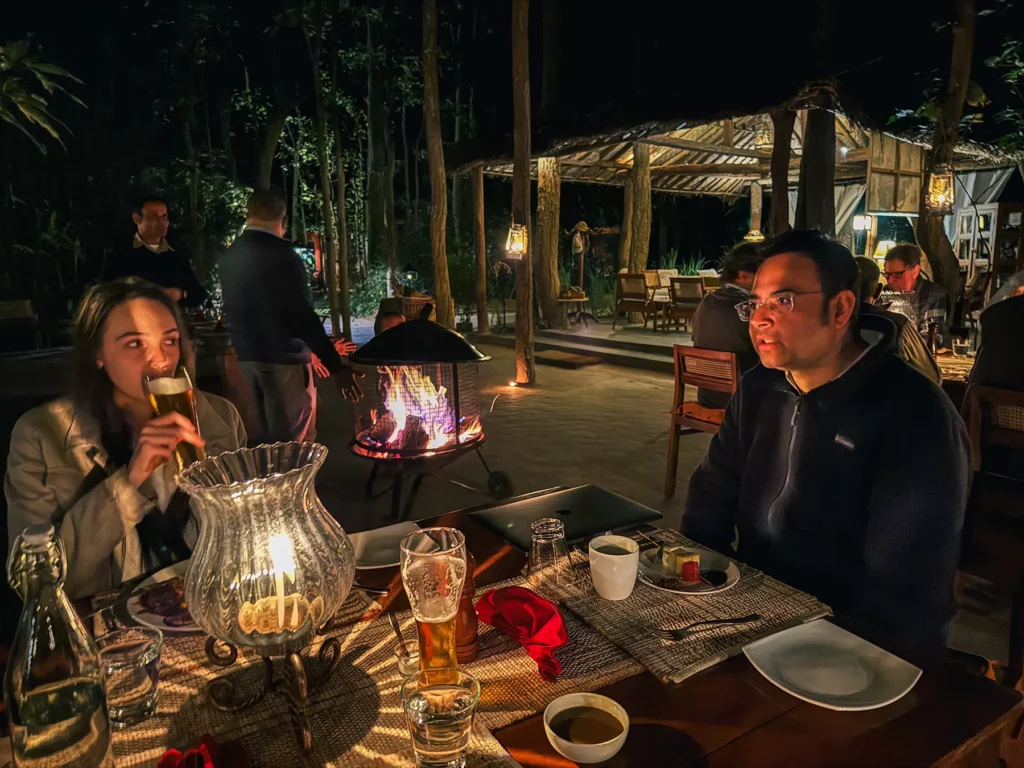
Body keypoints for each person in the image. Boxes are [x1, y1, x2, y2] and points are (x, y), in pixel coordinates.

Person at [682, 230, 970, 652]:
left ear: (841, 308)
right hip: (753, 608)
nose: (760, 319)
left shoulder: (913, 413)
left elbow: (903, 588)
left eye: (782, 301)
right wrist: (697, 583)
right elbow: (712, 491)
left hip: (856, 640)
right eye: (756, 302)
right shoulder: (760, 387)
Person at [5, 278, 246, 598]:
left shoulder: (219, 418)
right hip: (106, 628)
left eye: (170, 341)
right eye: (135, 344)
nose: (161, 360)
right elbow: (34, 586)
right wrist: (131, 481)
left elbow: (244, 539)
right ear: (97, 354)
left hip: (210, 610)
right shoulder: (42, 436)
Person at [219, 189, 361, 445]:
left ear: (247, 215)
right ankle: (294, 484)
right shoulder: (284, 257)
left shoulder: (230, 256)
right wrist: (335, 364)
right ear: (283, 221)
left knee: (265, 441)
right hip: (284, 360)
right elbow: (302, 315)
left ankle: (272, 480)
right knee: (294, 443)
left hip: (247, 358)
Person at [101, 195, 207, 307]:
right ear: (137, 218)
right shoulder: (119, 253)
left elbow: (198, 294)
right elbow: (104, 294)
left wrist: (180, 294)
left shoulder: (176, 255)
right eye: (154, 216)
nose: (162, 222)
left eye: (164, 216)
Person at [692, 243, 763, 408]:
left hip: (708, 394)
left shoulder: (706, 302)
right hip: (741, 398)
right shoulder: (749, 308)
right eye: (761, 276)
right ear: (742, 276)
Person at [855, 257, 940, 385]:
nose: (892, 280)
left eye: (897, 274)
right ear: (878, 290)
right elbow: (932, 377)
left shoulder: (823, 324)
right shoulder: (896, 324)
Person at [882, 243, 950, 350]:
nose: (890, 280)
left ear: (915, 271)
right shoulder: (883, 294)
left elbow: (932, 338)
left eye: (897, 275)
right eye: (887, 274)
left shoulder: (932, 296)